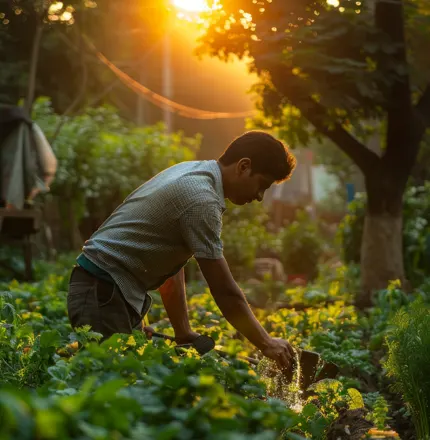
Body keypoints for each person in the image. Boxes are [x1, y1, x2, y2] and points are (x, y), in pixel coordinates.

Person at [67, 131, 297, 369]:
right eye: (262, 185)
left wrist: (182, 331)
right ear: (244, 166)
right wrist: (266, 342)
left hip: (103, 291)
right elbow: (225, 291)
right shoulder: (202, 200)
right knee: (110, 387)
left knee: (124, 383)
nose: (260, 196)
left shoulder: (193, 171)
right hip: (101, 294)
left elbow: (170, 264)